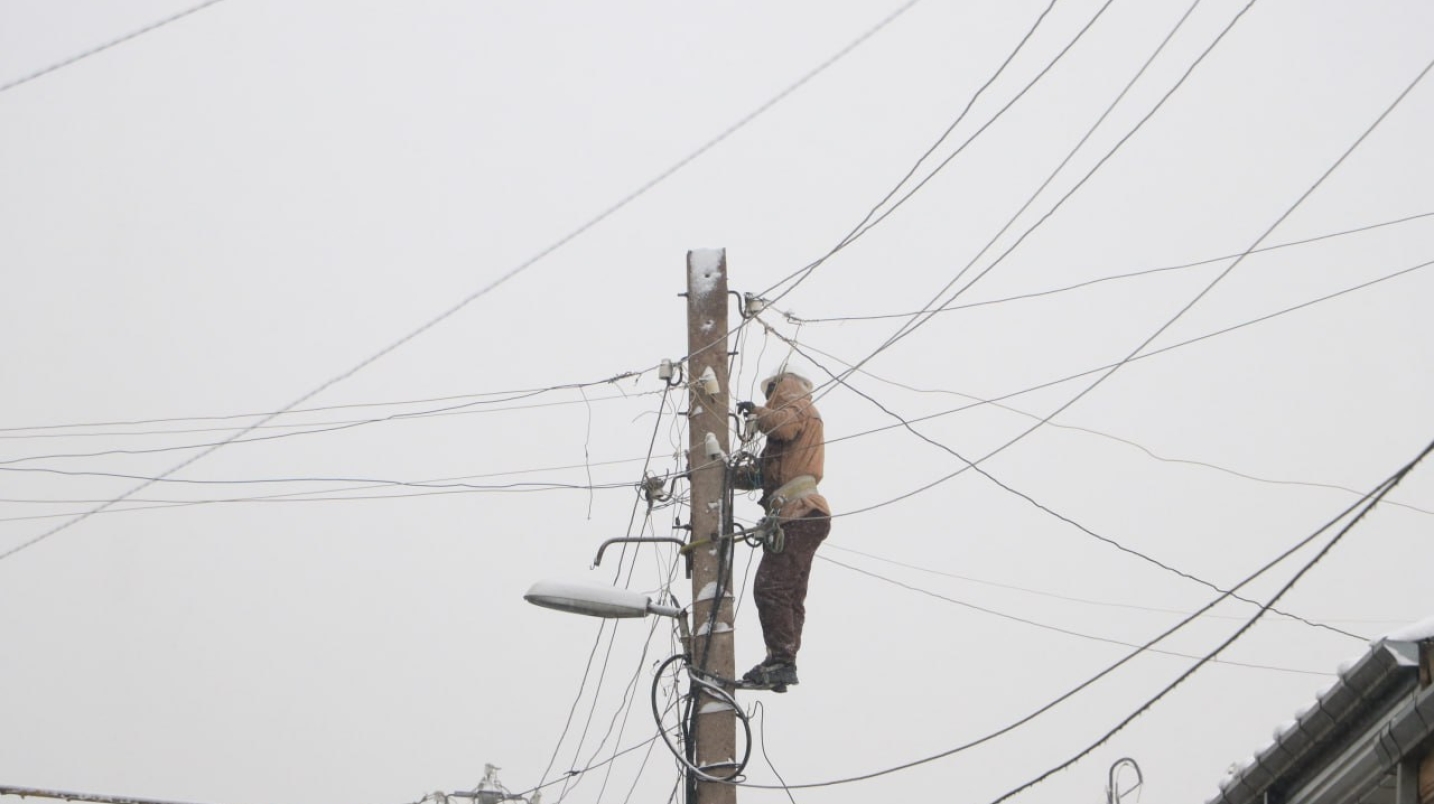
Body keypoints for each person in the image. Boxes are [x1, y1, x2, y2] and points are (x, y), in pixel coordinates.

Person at [734, 370, 831, 692]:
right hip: (800, 515)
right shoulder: (787, 429)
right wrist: (712, 473)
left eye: (772, 392)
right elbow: (761, 476)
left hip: (800, 513)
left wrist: (759, 413)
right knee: (788, 593)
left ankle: (782, 661)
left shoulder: (797, 410)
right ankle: (782, 661)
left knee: (771, 587)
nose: (769, 399)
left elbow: (784, 426)